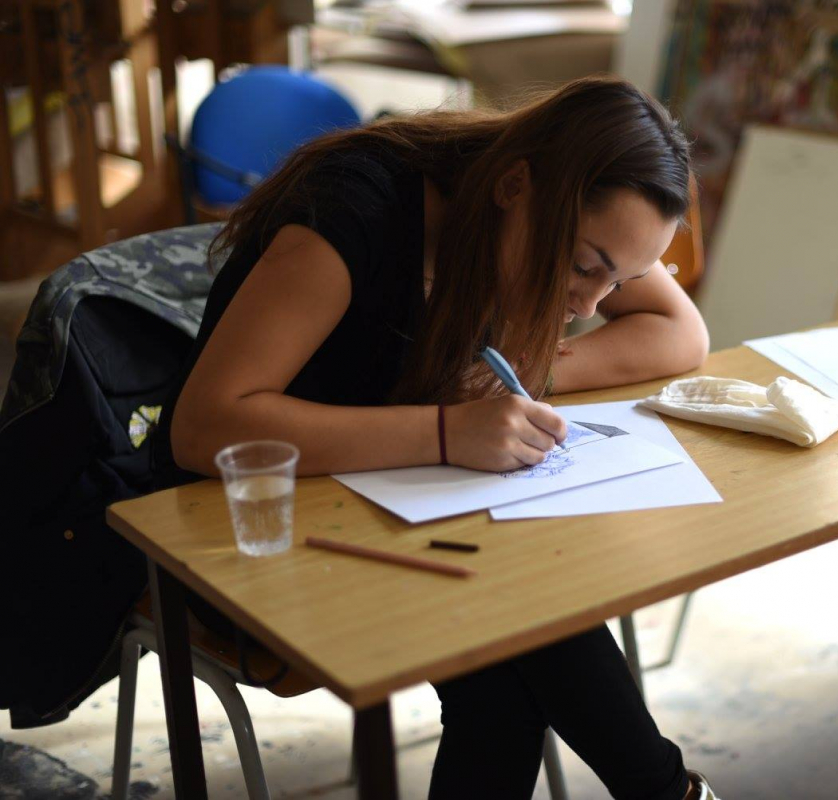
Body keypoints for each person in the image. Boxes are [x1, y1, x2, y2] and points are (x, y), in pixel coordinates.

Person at [152, 76, 717, 799]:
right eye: (584, 268)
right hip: (252, 526)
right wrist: (448, 431)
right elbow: (205, 427)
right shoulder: (350, 215)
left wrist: (529, 371)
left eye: (621, 280)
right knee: (518, 636)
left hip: (396, 508)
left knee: (507, 664)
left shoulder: (576, 216)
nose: (588, 304)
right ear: (515, 186)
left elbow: (680, 332)